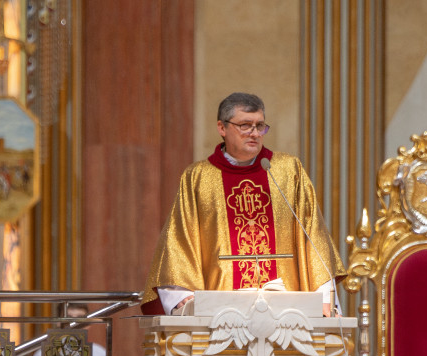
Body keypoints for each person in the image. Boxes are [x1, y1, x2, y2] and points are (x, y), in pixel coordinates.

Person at [142, 92, 345, 317]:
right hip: (220, 313)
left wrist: (323, 296)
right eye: (245, 125)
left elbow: (313, 235)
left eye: (260, 126)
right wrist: (181, 295)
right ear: (222, 127)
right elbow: (179, 240)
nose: (255, 133)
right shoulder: (198, 177)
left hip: (287, 312)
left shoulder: (288, 171)